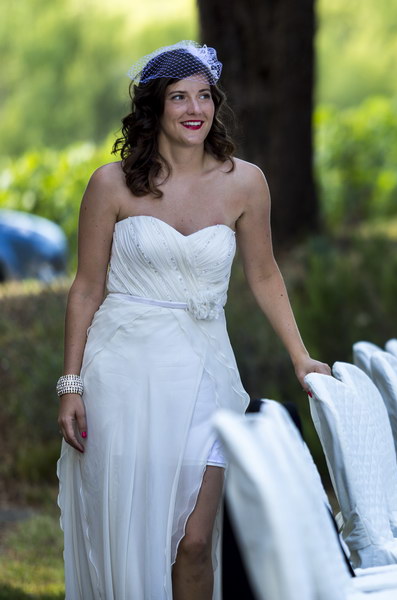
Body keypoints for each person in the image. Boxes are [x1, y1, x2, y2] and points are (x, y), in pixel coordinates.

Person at [56, 40, 330, 599]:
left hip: (206, 371)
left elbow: (265, 276)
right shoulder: (110, 185)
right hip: (123, 374)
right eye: (179, 96)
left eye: (204, 96)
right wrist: (71, 384)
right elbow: (86, 289)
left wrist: (301, 357)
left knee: (195, 542)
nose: (194, 108)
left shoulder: (245, 182)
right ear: (154, 108)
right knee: (134, 531)